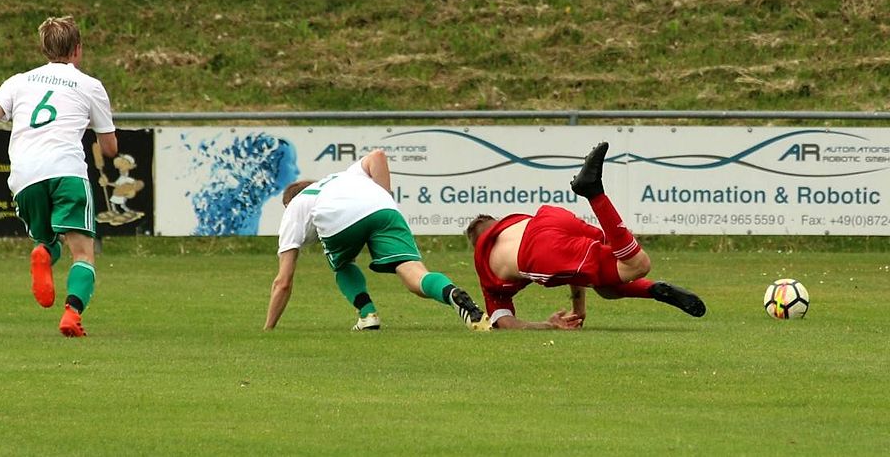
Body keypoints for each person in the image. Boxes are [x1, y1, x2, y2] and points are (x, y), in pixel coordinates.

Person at [0, 16, 118, 337]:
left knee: (48, 240)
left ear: (44, 49)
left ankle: (43, 252)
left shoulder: (19, 81)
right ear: (77, 49)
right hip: (66, 170)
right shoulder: (89, 85)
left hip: (25, 176)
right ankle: (72, 313)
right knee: (83, 252)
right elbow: (109, 149)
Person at [466, 141, 706, 330]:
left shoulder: (486, 268)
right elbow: (574, 270)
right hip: (551, 218)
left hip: (537, 251)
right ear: (496, 224)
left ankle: (593, 192)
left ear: (478, 245)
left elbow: (505, 323)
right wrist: (578, 309)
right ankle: (653, 288)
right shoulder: (512, 223)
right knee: (607, 284)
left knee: (637, 264)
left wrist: (548, 326)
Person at [264, 149, 491, 331]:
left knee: (342, 265)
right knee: (413, 273)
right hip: (383, 208)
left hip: (337, 216)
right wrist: (385, 197)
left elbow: (283, 281)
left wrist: (268, 328)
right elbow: (378, 156)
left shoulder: (294, 207)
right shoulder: (343, 177)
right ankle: (450, 292)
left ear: (288, 203)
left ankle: (367, 315)